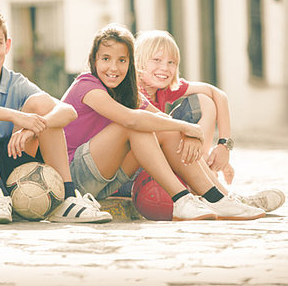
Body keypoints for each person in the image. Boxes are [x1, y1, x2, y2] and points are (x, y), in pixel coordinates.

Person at [62, 24, 265, 220]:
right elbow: (131, 120)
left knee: (159, 126)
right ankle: (182, 199)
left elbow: (161, 120)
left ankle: (217, 199)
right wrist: (187, 127)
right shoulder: (87, 85)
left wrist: (187, 134)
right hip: (75, 177)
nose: (114, 67)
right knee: (135, 125)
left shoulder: (126, 91)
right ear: (93, 60)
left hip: (108, 181)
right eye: (106, 59)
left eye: (122, 60)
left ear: (130, 63)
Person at [0, 7, 112, 224]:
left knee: (41, 105)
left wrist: (34, 125)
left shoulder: (16, 81)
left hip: (11, 165)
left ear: (8, 45)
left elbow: (68, 111)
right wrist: (16, 117)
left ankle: (67, 199)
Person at [134, 29, 285, 212]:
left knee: (205, 101)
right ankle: (224, 197)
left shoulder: (163, 88)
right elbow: (162, 125)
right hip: (135, 171)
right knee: (170, 127)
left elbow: (217, 94)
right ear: (139, 62)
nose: (165, 68)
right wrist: (189, 133)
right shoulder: (134, 93)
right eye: (156, 60)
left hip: (168, 152)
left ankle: (208, 174)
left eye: (171, 62)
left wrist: (224, 146)